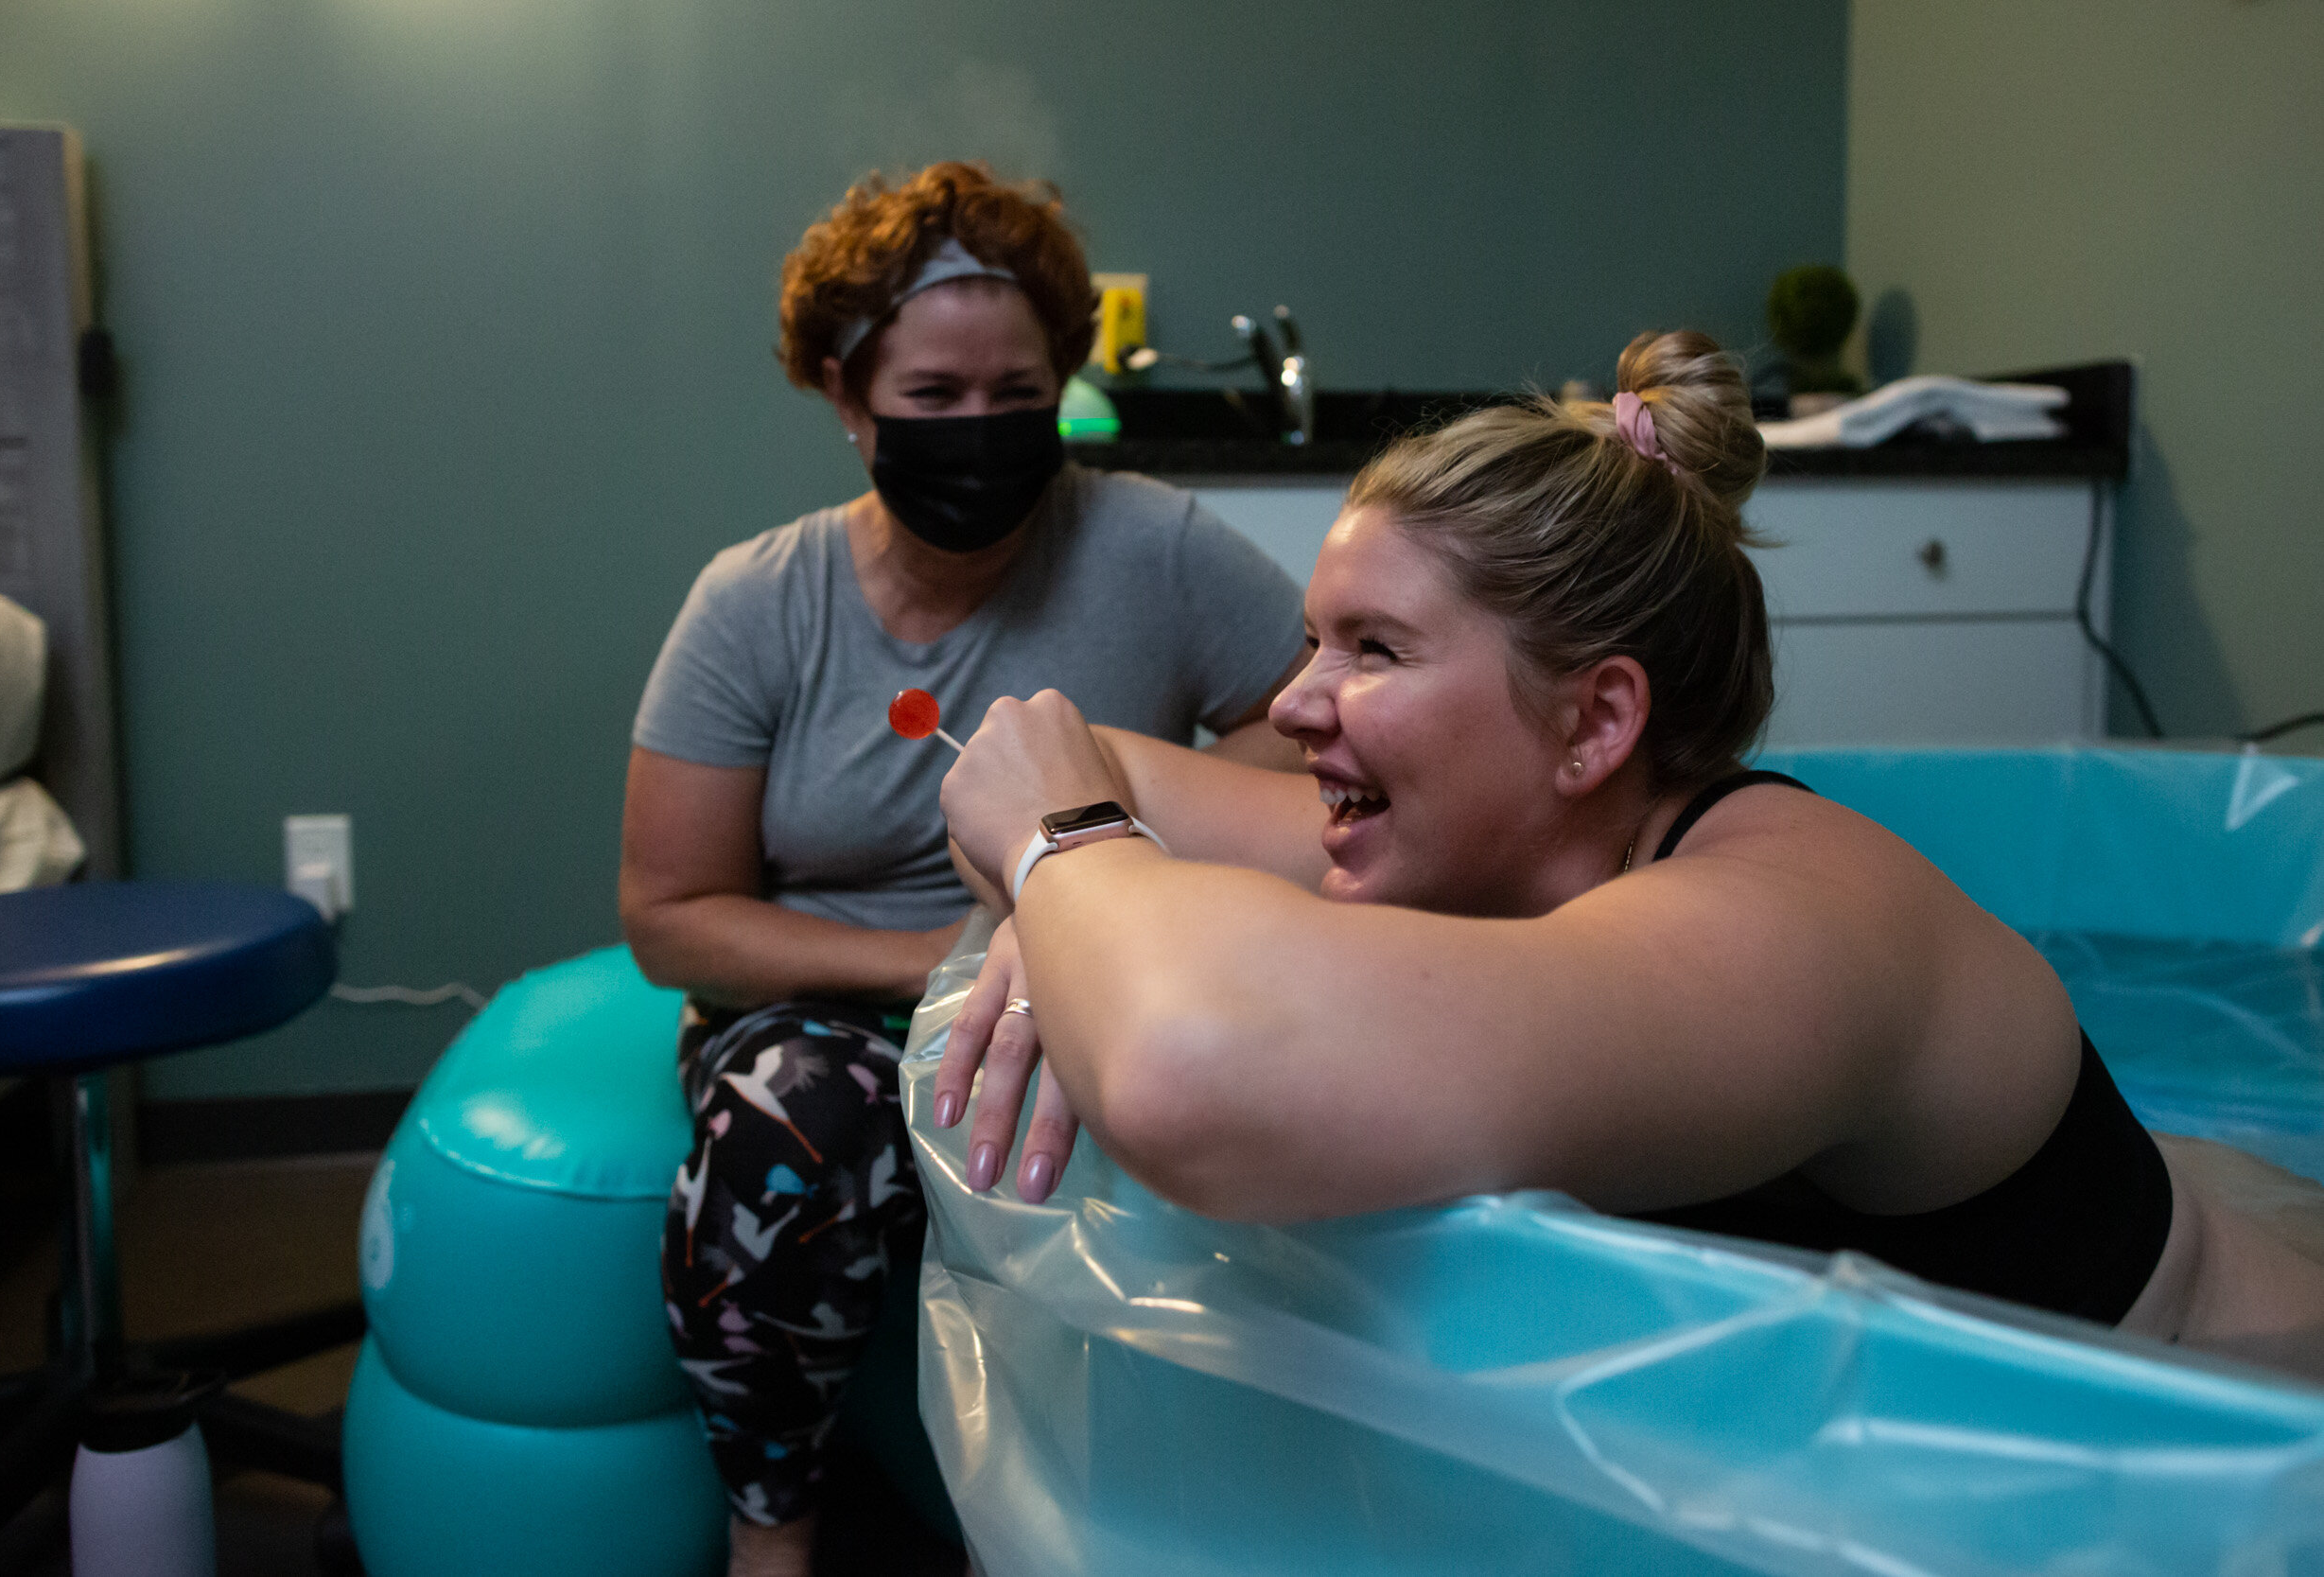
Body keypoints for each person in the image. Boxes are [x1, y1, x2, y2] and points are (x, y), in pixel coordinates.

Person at [931, 328, 2324, 1375]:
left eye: (1374, 650)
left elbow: (1191, 1063)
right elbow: (1063, 758)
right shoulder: (1496, 838)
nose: (1292, 705)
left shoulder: (1786, 928)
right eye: (1313, 638)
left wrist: (1066, 869)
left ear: (1595, 723)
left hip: (2244, 1428)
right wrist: (1065, 906)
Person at [620, 161, 1307, 1576]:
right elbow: (672, 920)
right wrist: (947, 951)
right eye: (934, 400)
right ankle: (775, 1532)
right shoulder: (757, 605)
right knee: (796, 1126)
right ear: (842, 394)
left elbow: (1308, 737)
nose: (982, 431)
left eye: (1019, 392)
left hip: (1093, 980)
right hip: (827, 1021)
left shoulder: (1155, 547)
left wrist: (1115, 876)